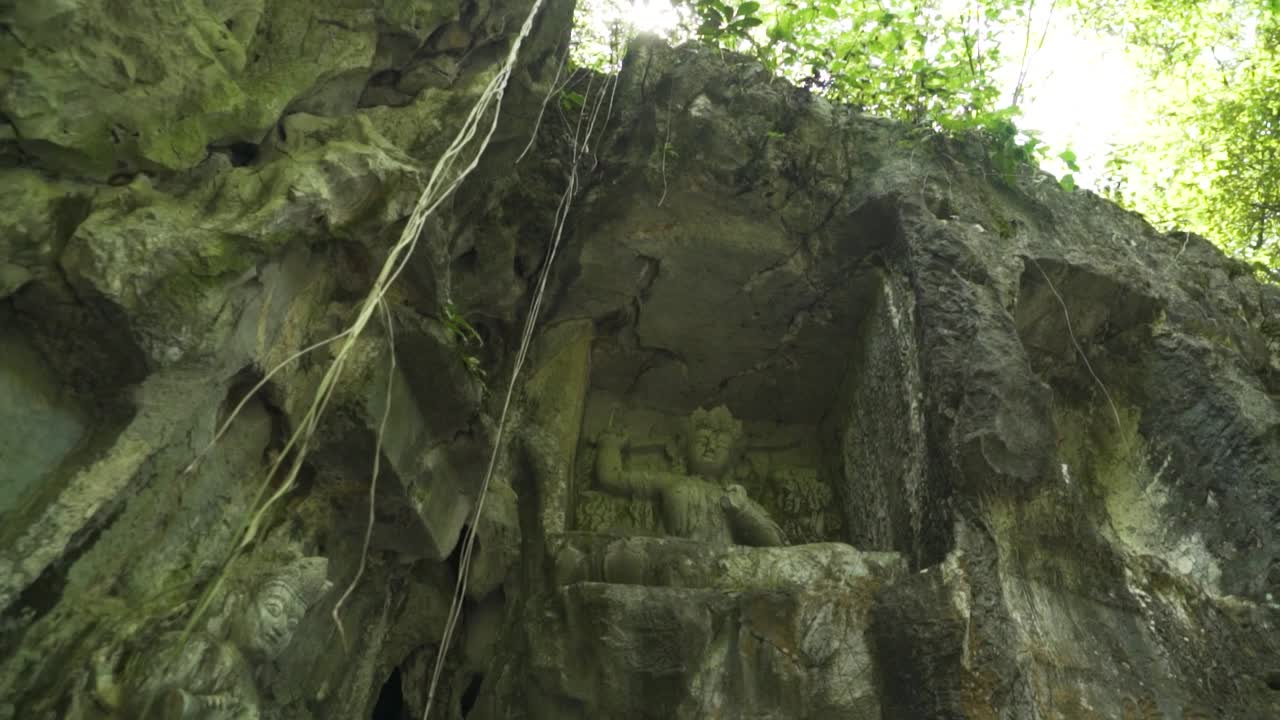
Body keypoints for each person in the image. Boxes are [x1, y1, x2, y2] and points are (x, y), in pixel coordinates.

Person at [594, 405, 785, 547]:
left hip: (725, 562)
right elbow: (611, 479)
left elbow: (777, 545)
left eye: (721, 445)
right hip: (675, 558)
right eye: (703, 440)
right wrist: (609, 445)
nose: (711, 447)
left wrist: (743, 511)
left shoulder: (739, 497)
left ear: (733, 458)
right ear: (683, 450)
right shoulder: (671, 481)